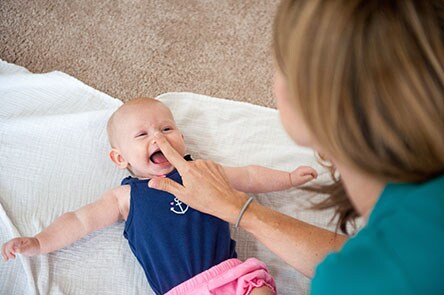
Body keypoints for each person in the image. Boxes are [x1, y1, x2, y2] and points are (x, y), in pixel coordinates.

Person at [144, 0, 444, 294]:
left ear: (309, 102)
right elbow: (376, 258)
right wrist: (239, 209)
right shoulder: (404, 238)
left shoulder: (349, 280)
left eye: (279, 66)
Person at [2, 98, 318, 295]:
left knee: (259, 288)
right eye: (142, 135)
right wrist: (40, 242)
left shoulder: (201, 172)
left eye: (166, 129)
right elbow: (79, 221)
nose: (158, 137)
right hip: (179, 290)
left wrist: (287, 178)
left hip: (230, 275)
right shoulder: (125, 197)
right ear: (119, 158)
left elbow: (248, 176)